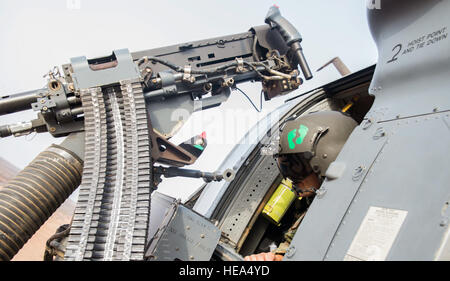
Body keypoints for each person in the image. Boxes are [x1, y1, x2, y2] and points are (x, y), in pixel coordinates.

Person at [244, 110, 357, 261]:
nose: (291, 176)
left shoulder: (353, 209)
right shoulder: (315, 205)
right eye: (286, 167)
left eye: (297, 166)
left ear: (328, 160)